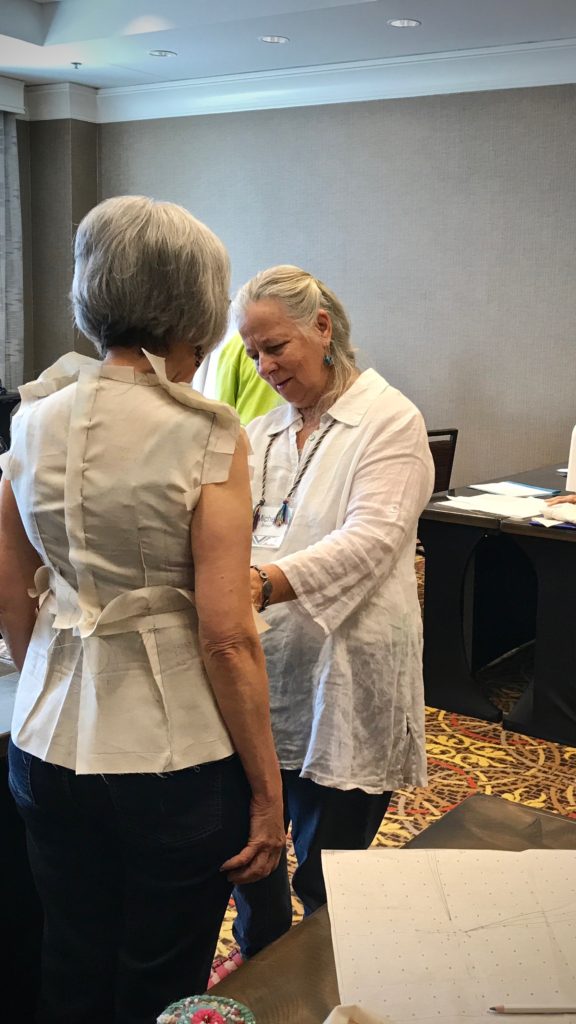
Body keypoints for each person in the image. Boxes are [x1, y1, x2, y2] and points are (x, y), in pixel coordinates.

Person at [0, 196, 284, 1024]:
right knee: (162, 969)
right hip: (175, 758)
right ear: (199, 305)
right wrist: (268, 795)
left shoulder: (35, 417)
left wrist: (46, 674)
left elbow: (13, 593)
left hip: (44, 737)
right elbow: (227, 635)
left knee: (70, 952)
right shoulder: (206, 432)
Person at [230, 265, 435, 958]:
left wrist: (257, 584)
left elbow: (372, 539)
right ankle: (263, 965)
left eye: (275, 347)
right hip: (265, 673)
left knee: (330, 871)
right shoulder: (257, 433)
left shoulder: (389, 419)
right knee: (251, 852)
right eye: (251, 352)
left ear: (322, 329)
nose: (263, 366)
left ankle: (329, 981)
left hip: (346, 677)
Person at [215, 330, 284, 424]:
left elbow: (221, 415)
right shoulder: (235, 347)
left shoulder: (235, 346)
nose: (262, 369)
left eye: (275, 347)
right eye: (255, 357)